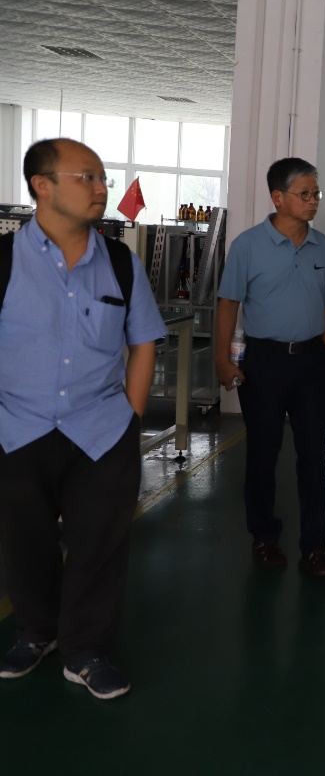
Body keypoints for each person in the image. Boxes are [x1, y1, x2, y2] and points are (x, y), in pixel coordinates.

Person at [0, 139, 166, 699]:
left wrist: (131, 419)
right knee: (24, 540)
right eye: (87, 177)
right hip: (17, 429)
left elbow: (142, 343)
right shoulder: (5, 261)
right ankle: (36, 633)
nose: (101, 189)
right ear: (42, 186)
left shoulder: (119, 262)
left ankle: (86, 651)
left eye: (102, 179)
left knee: (99, 545)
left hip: (101, 430)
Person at [215, 157, 325, 578]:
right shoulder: (248, 245)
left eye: (316, 194)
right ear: (278, 197)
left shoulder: (321, 245)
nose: (313, 201)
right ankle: (264, 537)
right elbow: (229, 304)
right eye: (304, 194)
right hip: (264, 362)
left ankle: (315, 547)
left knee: (313, 456)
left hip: (311, 363)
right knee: (263, 453)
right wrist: (223, 360)